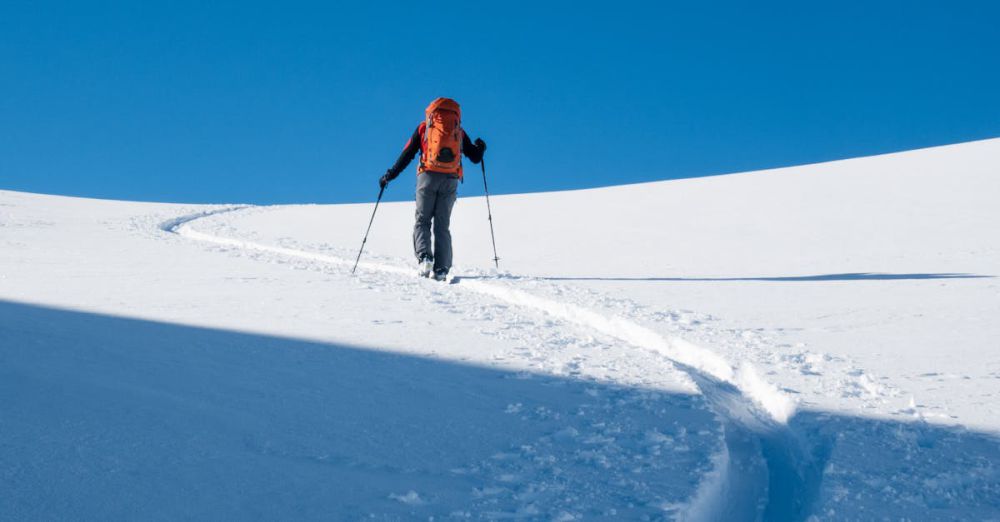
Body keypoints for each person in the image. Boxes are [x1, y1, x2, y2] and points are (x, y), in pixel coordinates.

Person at [379, 97, 487, 280]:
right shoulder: (458, 131)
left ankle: (425, 257)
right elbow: (475, 157)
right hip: (450, 179)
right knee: (442, 225)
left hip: (427, 177)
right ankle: (442, 268)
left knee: (422, 220)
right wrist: (481, 147)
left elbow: (407, 155)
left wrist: (390, 175)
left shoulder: (424, 128)